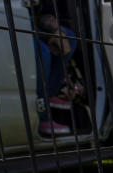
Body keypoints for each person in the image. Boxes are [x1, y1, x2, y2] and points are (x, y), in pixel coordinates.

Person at [32, 0, 80, 137]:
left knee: (69, 37)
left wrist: (56, 30)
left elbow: (44, 12)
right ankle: (43, 115)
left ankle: (49, 94)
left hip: (36, 24)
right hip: (12, 23)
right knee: (43, 52)